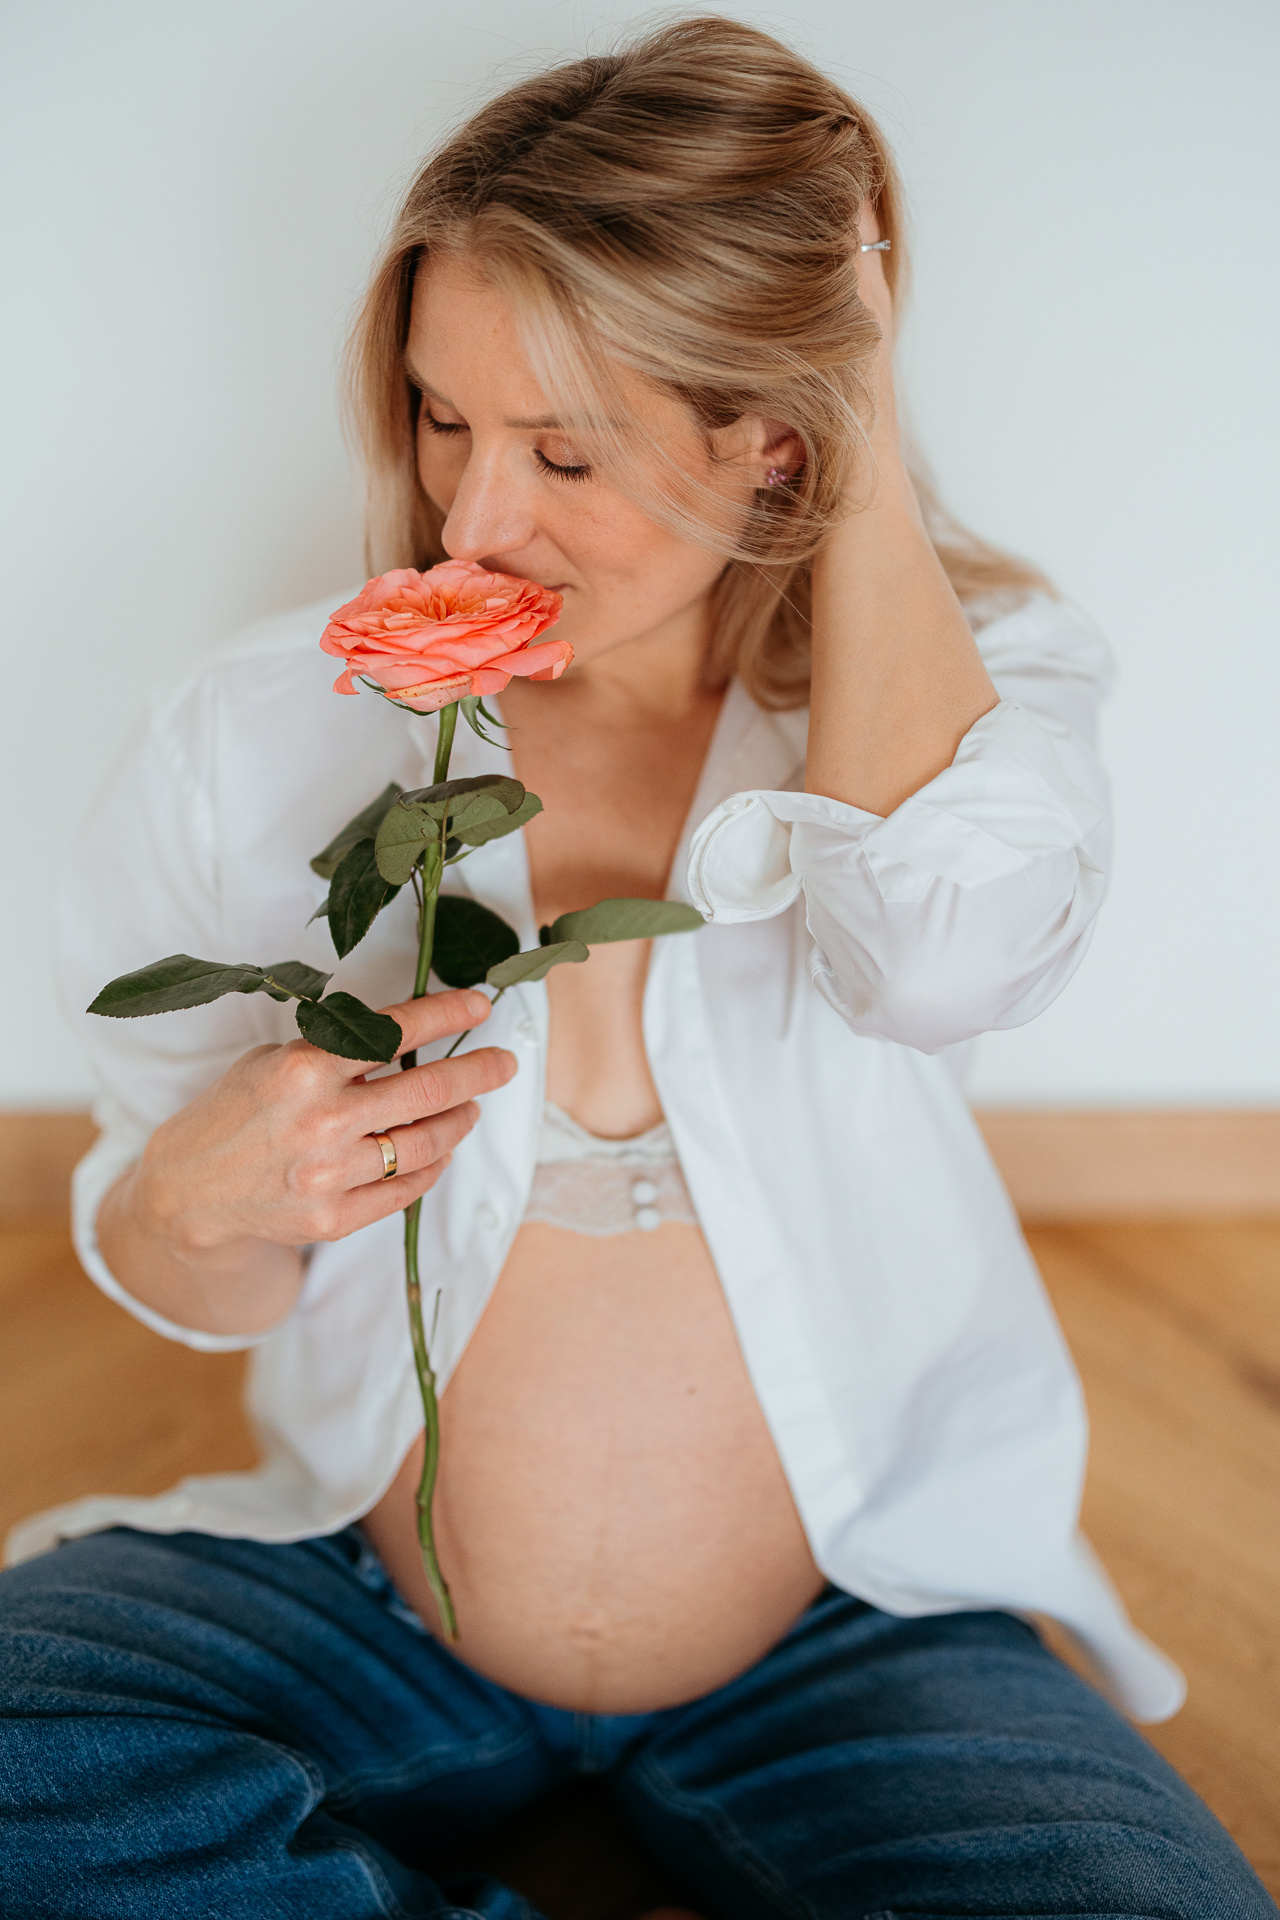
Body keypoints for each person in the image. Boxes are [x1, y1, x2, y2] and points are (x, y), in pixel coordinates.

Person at [1, 16, 1273, 1919]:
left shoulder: (987, 681)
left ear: (769, 432)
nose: (474, 520)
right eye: (443, 418)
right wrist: (205, 1193)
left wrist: (849, 406)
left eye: (566, 450)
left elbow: (936, 959)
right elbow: (172, 1256)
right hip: (355, 1590)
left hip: (859, 1632)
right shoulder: (263, 729)